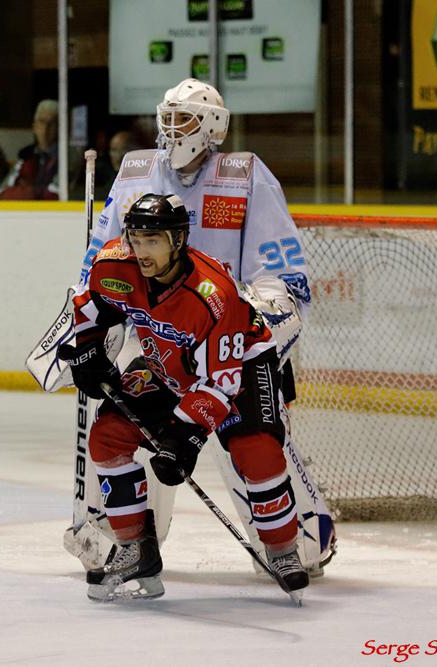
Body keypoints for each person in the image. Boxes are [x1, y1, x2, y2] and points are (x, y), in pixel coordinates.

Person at [70, 78, 335, 578]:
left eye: (185, 118)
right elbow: (99, 268)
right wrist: (88, 339)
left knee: (255, 444)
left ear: (213, 125)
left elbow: (283, 275)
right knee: (118, 432)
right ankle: (123, 536)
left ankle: (295, 535)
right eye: (166, 117)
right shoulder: (135, 172)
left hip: (226, 339)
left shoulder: (246, 176)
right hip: (157, 345)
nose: (172, 130)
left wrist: (253, 322)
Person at [61, 193, 309, 601]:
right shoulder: (114, 264)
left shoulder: (215, 294)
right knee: (107, 438)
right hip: (167, 363)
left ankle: (283, 549)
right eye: (136, 239)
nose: (141, 251)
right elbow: (90, 306)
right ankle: (134, 549)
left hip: (240, 367)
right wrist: (88, 349)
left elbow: (221, 382)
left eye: (152, 241)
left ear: (178, 240)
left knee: (257, 451)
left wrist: (182, 437)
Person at [0, 100, 59, 200]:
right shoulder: (26, 155)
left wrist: (27, 190)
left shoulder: (66, 156)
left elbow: (56, 194)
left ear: (59, 128)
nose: (45, 128)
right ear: (35, 127)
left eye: (51, 123)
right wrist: (37, 192)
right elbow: (3, 192)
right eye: (42, 122)